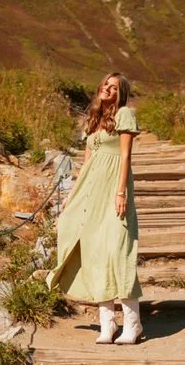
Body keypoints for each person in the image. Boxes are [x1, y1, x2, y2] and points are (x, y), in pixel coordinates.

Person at [46, 72, 144, 344]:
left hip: (113, 188)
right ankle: (107, 324)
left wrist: (121, 191)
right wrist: (72, 196)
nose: (108, 89)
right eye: (106, 85)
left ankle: (133, 324)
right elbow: (87, 163)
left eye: (115, 87)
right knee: (94, 252)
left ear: (121, 93)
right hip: (91, 190)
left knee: (118, 251)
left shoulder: (125, 114)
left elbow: (125, 155)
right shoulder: (94, 119)